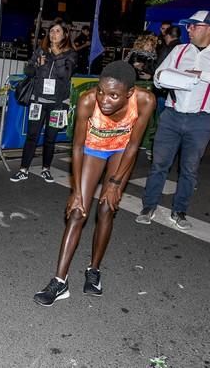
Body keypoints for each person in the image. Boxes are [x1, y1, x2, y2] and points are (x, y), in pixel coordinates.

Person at [33, 61, 156, 307]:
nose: (104, 99)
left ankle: (94, 271)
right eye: (101, 91)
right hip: (93, 149)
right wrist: (76, 191)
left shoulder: (144, 100)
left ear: (129, 93)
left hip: (121, 151)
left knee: (106, 208)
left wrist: (115, 183)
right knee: (77, 212)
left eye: (113, 95)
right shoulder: (88, 100)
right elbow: (77, 147)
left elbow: (133, 145)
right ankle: (60, 281)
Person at [136, 10, 210, 229]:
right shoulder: (178, 50)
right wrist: (164, 79)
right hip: (172, 115)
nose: (189, 29)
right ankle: (149, 206)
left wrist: (202, 75)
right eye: (189, 26)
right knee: (159, 164)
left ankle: (180, 211)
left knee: (189, 168)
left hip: (200, 120)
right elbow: (159, 77)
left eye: (195, 26)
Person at [10, 21, 77, 184]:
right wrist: (37, 66)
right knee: (32, 136)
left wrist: (57, 54)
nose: (53, 34)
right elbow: (28, 71)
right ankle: (23, 170)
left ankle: (46, 169)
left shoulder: (70, 54)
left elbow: (65, 76)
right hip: (38, 100)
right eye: (51, 31)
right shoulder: (41, 50)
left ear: (65, 35)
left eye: (57, 31)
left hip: (58, 103)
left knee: (50, 138)